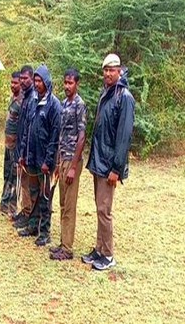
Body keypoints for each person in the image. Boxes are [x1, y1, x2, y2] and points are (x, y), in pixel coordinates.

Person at [81, 54, 135, 271]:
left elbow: (123, 137)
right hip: (99, 162)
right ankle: (99, 249)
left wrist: (116, 169)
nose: (108, 73)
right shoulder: (107, 94)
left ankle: (109, 255)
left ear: (120, 71)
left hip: (110, 165)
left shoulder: (125, 97)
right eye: (105, 70)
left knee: (105, 210)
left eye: (112, 70)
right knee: (99, 208)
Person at [18, 64, 61, 246]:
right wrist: (23, 154)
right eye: (35, 80)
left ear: (47, 82)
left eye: (39, 80)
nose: (36, 84)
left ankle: (45, 232)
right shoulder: (33, 101)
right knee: (33, 193)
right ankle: (33, 225)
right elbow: (27, 129)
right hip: (32, 157)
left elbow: (55, 136)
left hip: (45, 160)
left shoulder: (54, 105)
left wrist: (48, 160)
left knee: (45, 197)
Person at [50, 68, 88, 261]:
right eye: (65, 82)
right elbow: (61, 134)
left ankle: (68, 248)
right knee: (63, 203)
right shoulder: (64, 103)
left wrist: (73, 166)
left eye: (70, 83)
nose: (67, 86)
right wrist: (58, 162)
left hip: (73, 159)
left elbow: (82, 137)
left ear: (76, 84)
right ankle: (63, 242)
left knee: (70, 205)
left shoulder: (80, 105)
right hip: (62, 158)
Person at [13, 65, 38, 230]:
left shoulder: (33, 98)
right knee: (23, 182)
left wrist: (24, 151)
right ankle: (25, 209)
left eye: (25, 78)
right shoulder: (25, 96)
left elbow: (31, 127)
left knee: (29, 184)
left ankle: (29, 213)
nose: (22, 81)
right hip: (21, 145)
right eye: (20, 78)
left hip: (29, 149)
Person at [0, 71, 22, 214]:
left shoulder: (22, 101)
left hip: (16, 146)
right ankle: (4, 204)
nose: (12, 85)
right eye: (11, 82)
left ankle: (12, 208)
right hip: (8, 145)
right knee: (6, 174)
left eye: (15, 83)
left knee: (14, 176)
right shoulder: (12, 99)